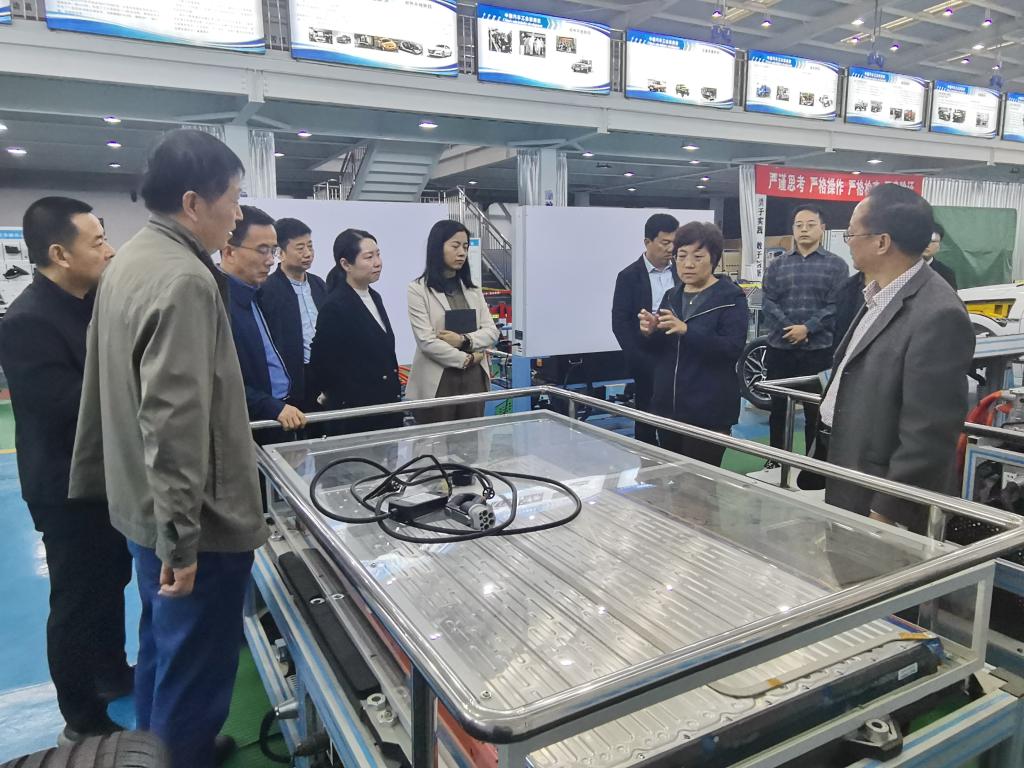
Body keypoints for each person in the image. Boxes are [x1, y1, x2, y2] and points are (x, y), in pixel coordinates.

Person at [69, 129, 268, 768]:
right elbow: (173, 420)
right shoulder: (185, 279)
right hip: (193, 519)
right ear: (193, 202)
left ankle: (152, 752)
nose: (236, 214)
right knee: (195, 664)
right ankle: (180, 754)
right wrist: (182, 537)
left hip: (140, 505)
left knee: (161, 643)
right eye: (232, 198)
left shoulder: (129, 260)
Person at [0, 197, 132, 743]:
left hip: (106, 478)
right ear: (59, 253)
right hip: (66, 488)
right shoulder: (27, 321)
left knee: (112, 580)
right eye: (97, 242)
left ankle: (113, 672)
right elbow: (71, 406)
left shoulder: (90, 301)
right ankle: (82, 717)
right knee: (77, 600)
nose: (109, 250)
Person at [819, 183, 975, 534]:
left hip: (882, 497)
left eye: (852, 233)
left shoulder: (938, 313)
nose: (849, 242)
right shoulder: (876, 295)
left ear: (882, 242)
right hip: (852, 466)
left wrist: (886, 510)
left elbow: (929, 432)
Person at [638, 222, 748, 466]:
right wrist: (651, 332)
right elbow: (662, 350)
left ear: (714, 259)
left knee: (701, 481)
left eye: (698, 257)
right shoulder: (672, 296)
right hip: (668, 407)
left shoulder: (731, 298)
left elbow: (732, 348)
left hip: (709, 410)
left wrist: (688, 331)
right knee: (670, 476)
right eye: (681, 256)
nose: (688, 264)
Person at [761, 204, 848, 465]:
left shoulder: (836, 265)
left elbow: (836, 305)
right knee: (778, 408)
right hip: (781, 348)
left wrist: (807, 328)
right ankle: (776, 459)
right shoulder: (777, 265)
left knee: (816, 410)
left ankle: (813, 463)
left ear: (823, 228)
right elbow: (768, 301)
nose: (804, 230)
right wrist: (790, 328)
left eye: (810, 225)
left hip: (818, 350)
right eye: (799, 225)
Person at [221, 205, 307, 435]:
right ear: (229, 252)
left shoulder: (257, 293)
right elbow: (219, 381)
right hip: (253, 423)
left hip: (282, 412)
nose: (270, 260)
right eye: (262, 250)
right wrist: (270, 406)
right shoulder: (218, 303)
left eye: (273, 250)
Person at [310, 229, 403, 434]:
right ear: (346, 264)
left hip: (386, 409)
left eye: (378, 254)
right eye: (368, 257)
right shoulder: (335, 306)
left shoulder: (374, 297)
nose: (377, 262)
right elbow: (322, 363)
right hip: (357, 415)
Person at [406, 220, 499, 424]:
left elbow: (492, 332)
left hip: (474, 377)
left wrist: (464, 340)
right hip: (439, 379)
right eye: (455, 246)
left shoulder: (473, 290)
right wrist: (466, 359)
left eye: (465, 247)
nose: (462, 253)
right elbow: (426, 341)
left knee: (471, 439)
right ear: (437, 247)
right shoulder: (418, 290)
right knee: (436, 440)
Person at [611, 213, 680, 445]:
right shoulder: (629, 277)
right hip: (646, 359)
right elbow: (620, 323)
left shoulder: (682, 273)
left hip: (678, 359)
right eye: (665, 242)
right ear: (647, 242)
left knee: (677, 420)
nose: (671, 248)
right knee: (646, 419)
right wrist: (639, 359)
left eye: (674, 242)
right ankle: (647, 462)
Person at [259, 217, 328, 412]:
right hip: (293, 377)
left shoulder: (319, 284)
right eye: (300, 248)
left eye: (310, 246)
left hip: (323, 372)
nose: (308, 253)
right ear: (280, 253)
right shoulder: (267, 289)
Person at [922, 221, 958, 291]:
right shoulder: (902, 270)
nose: (927, 245)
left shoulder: (946, 273)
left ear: (939, 246)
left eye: (933, 241)